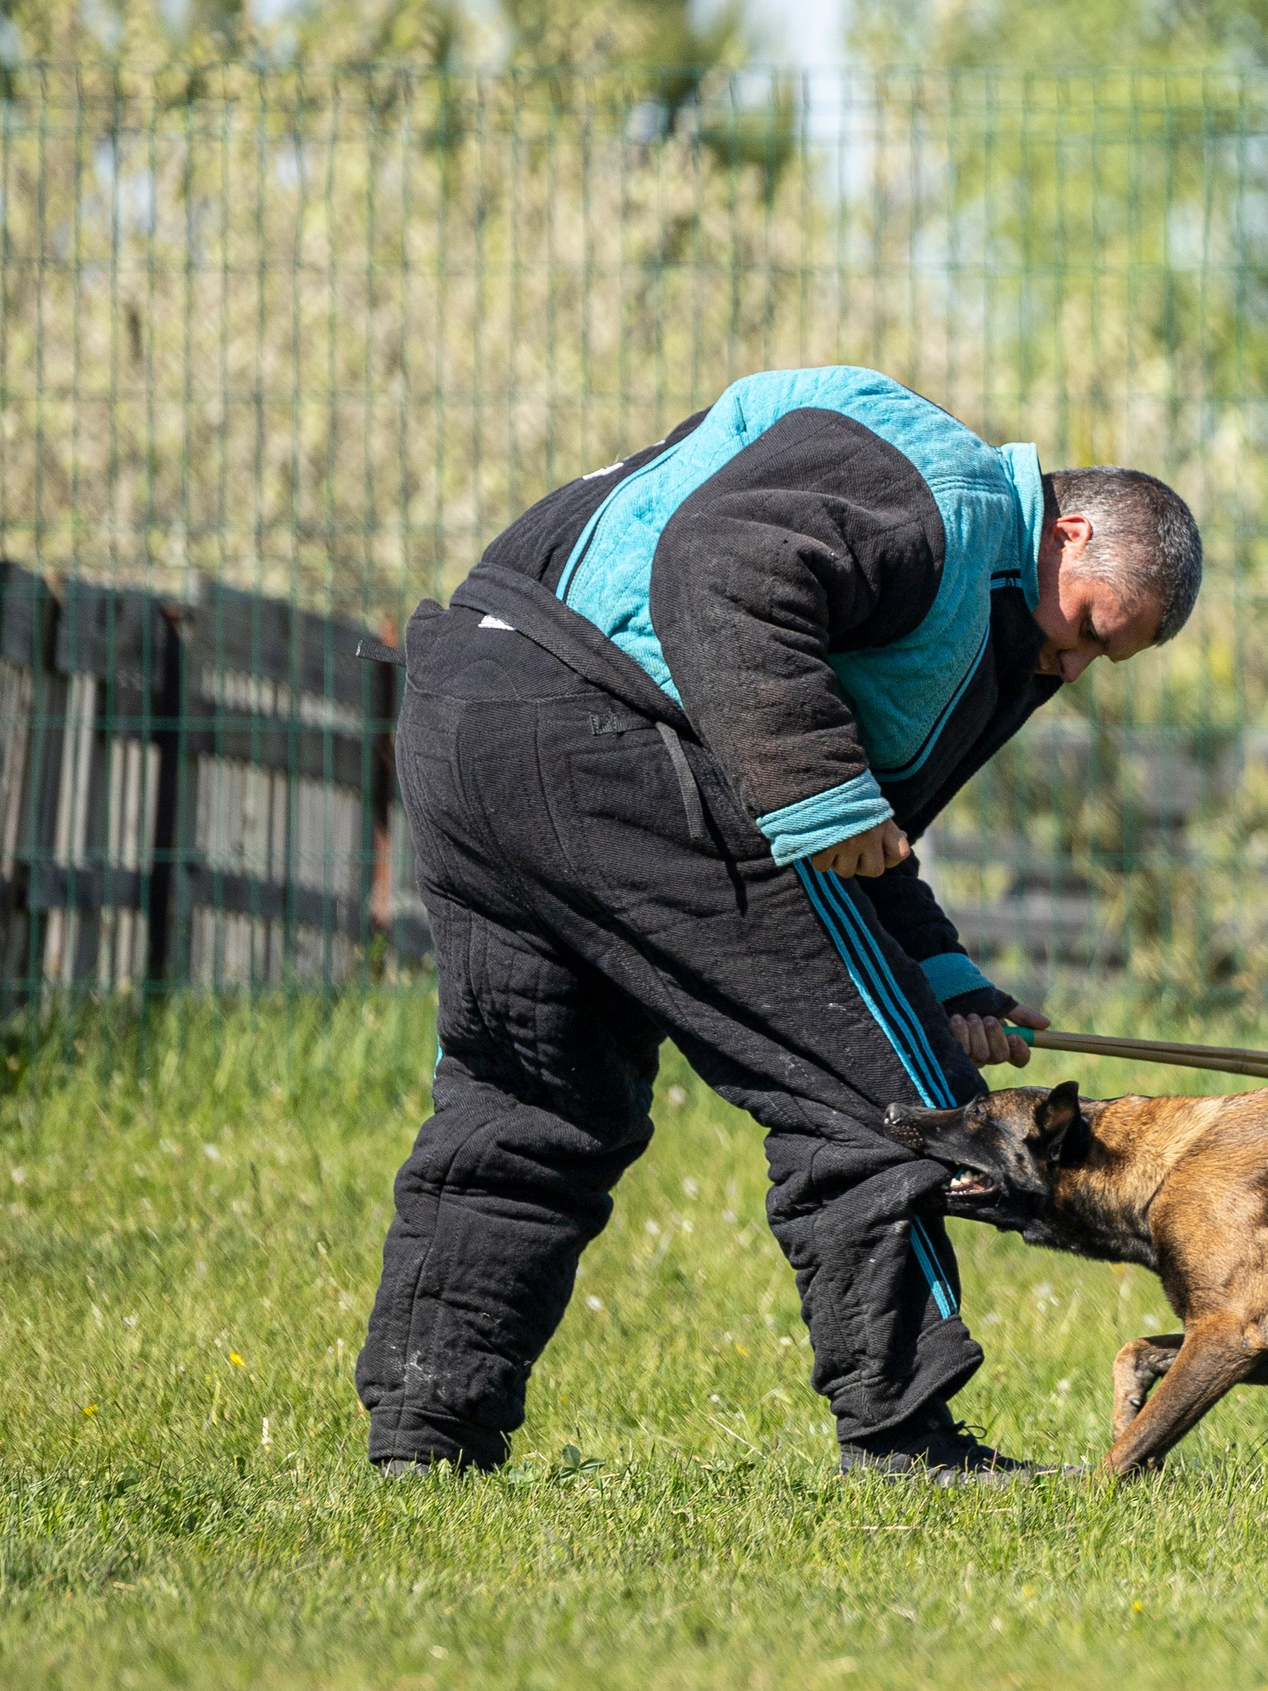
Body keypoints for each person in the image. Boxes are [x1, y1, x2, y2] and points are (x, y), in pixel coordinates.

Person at [355, 366, 1201, 1485]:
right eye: (1093, 627)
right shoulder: (940, 498)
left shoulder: (968, 588)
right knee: (884, 1096)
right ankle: (904, 1439)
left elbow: (858, 831)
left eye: (1105, 659)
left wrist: (943, 974)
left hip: (477, 709)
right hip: (597, 723)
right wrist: (820, 795)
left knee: (534, 1099)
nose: (1076, 663)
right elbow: (719, 569)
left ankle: (427, 1435)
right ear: (1072, 529)